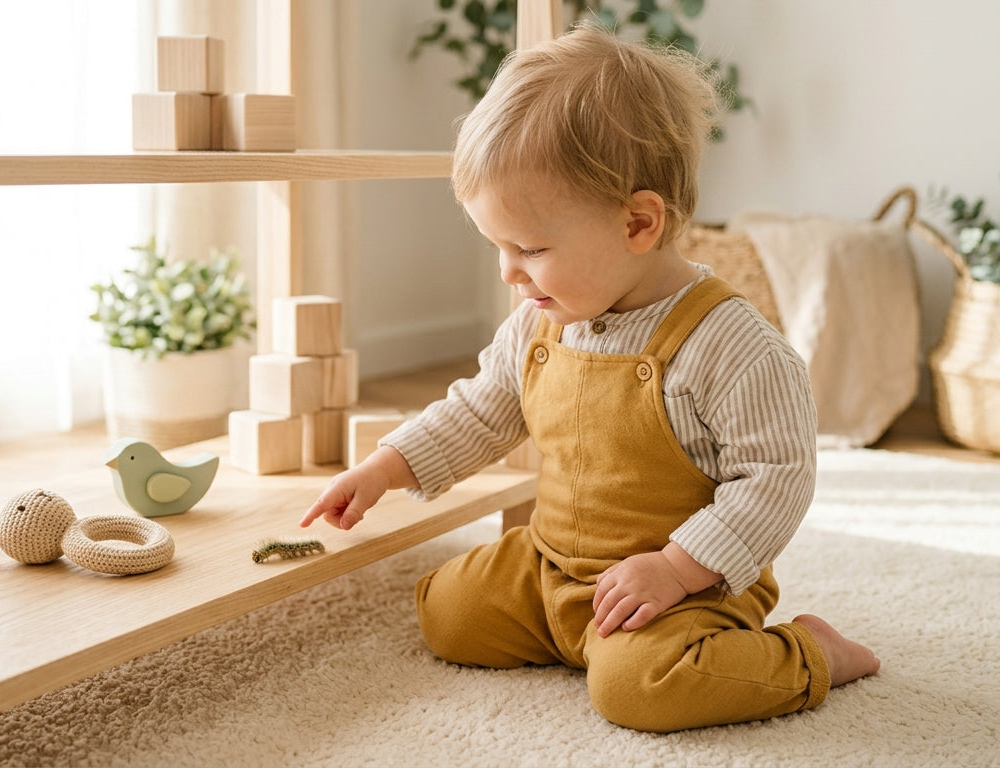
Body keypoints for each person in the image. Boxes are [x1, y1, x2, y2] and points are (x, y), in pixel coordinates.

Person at [299, 23, 879, 732]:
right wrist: (386, 467)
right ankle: (574, 634)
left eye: (530, 248)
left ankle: (812, 654)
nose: (509, 273)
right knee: (447, 613)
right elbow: (480, 410)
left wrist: (676, 569)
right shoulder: (541, 322)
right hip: (553, 566)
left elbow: (776, 479)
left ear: (638, 223)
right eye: (498, 247)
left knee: (641, 690)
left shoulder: (732, 347)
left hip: (684, 589)